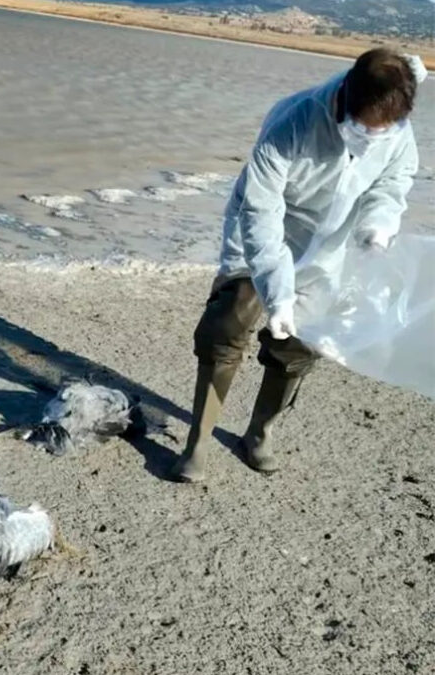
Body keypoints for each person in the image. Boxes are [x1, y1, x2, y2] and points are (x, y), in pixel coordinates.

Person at [172, 48, 426, 483]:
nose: (370, 136)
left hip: (329, 243)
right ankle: (198, 440)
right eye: (361, 127)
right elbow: (261, 212)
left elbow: (393, 180)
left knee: (300, 343)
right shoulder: (293, 119)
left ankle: (259, 432)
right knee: (227, 324)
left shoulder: (396, 128)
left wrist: (377, 224)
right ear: (346, 98)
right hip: (265, 231)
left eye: (379, 131)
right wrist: (277, 289)